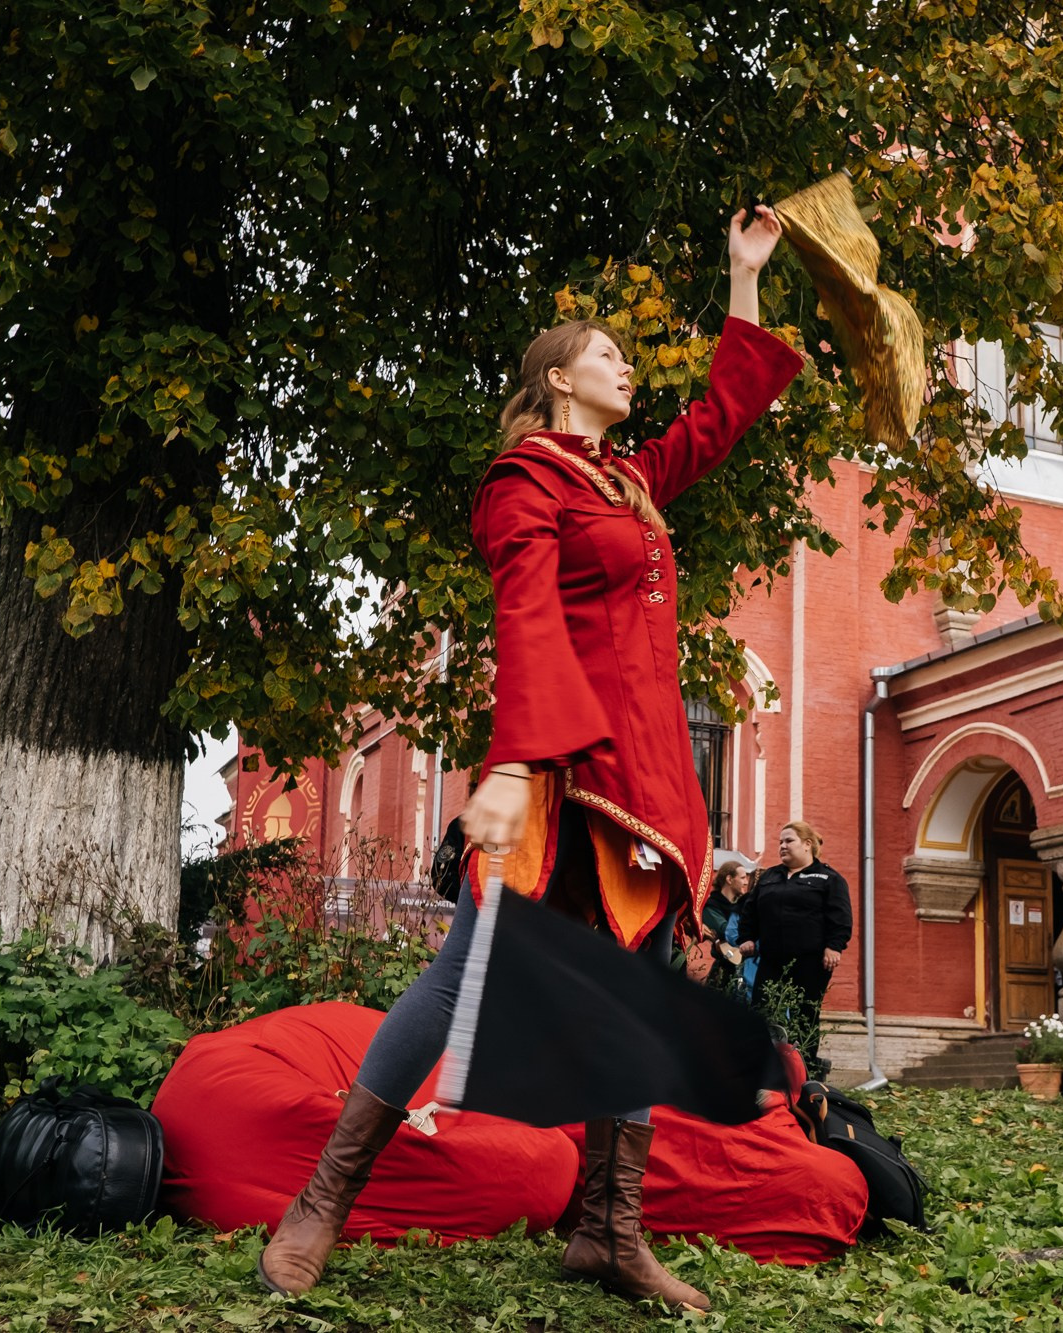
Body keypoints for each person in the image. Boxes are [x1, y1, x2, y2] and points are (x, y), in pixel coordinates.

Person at [256, 208, 803, 1310]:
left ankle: (609, 1232)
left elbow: (722, 414)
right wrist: (512, 764)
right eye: (608, 354)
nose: (626, 368)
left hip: (644, 778)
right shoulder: (524, 481)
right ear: (558, 378)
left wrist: (743, 276)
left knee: (638, 987)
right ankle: (319, 1201)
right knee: (468, 967)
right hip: (559, 769)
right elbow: (527, 618)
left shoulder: (626, 481)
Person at [743, 821, 852, 1076]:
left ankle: (804, 1072)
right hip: (771, 960)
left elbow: (841, 917)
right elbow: (749, 911)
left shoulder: (829, 878)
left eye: (789, 841)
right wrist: (747, 938)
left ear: (807, 844)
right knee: (763, 1010)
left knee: (805, 1013)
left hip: (810, 962)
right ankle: (763, 1070)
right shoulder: (769, 877)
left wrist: (834, 947)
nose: (782, 846)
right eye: (780, 842)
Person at [700, 852, 756, 993]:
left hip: (742, 967)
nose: (745, 882)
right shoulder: (711, 906)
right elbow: (728, 931)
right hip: (724, 969)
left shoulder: (740, 905)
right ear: (729, 879)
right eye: (742, 878)